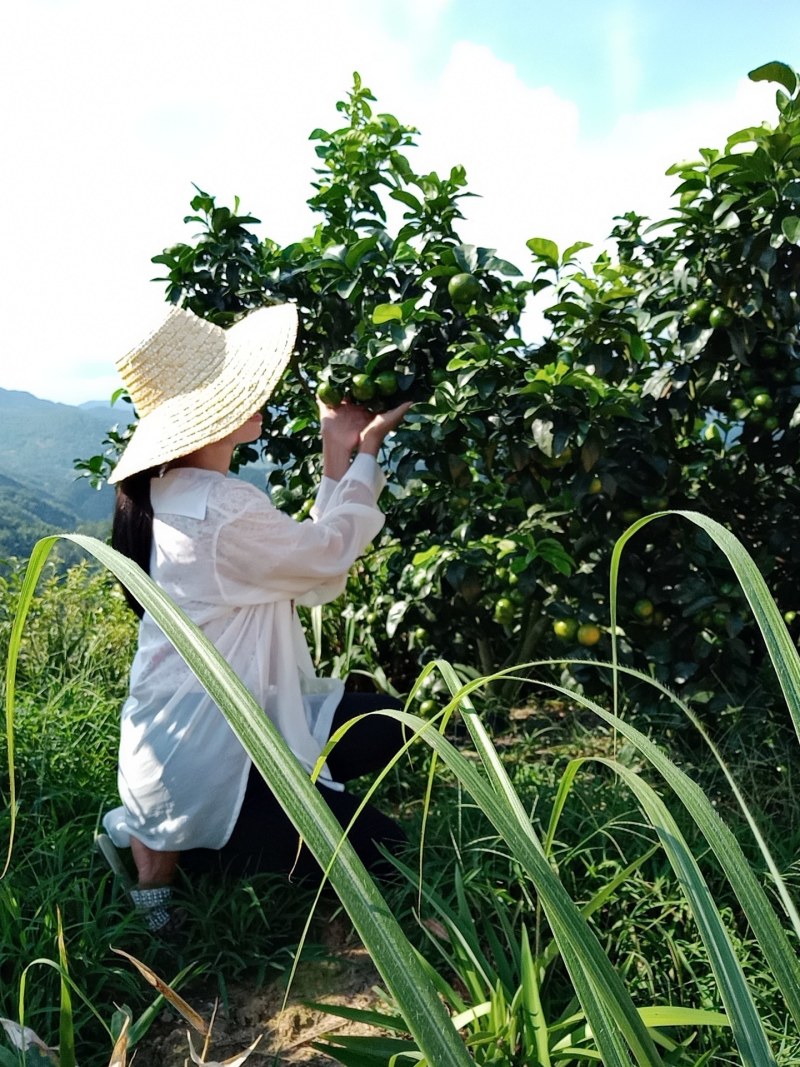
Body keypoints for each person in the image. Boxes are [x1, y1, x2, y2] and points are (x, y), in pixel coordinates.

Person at [101, 302, 411, 933]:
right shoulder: (219, 507)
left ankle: (184, 849)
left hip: (181, 744)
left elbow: (307, 568)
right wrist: (365, 455)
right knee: (388, 855)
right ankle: (201, 859)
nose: (260, 391)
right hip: (221, 755)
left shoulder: (166, 495)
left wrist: (336, 453)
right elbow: (326, 560)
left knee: (385, 724)